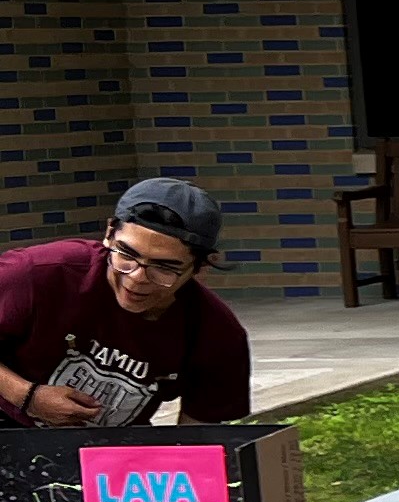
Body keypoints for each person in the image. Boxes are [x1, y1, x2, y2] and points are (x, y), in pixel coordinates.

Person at [0, 179, 251, 427]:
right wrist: (27, 396)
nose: (136, 277)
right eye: (127, 255)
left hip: (111, 451)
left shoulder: (218, 334)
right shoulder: (37, 273)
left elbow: (199, 436)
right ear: (109, 234)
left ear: (200, 268)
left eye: (164, 267)